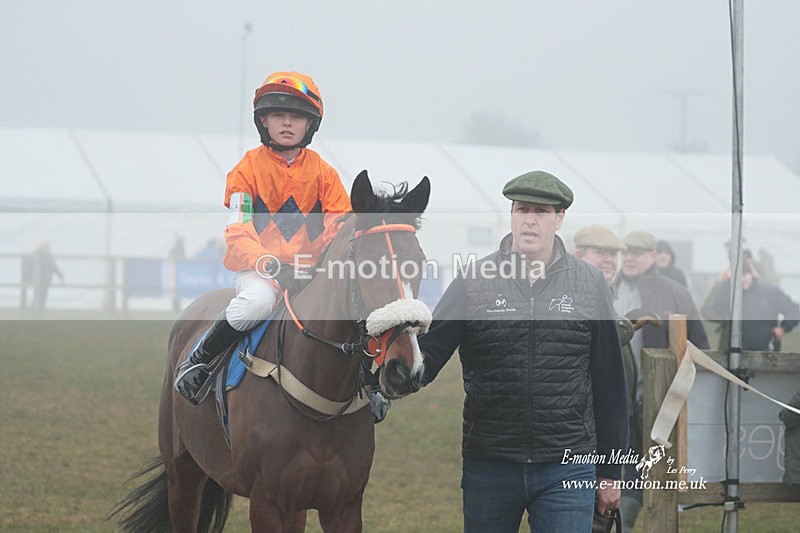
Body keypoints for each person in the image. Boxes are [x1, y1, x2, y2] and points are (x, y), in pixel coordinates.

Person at [418, 171, 628, 532]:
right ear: (511, 214)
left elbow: (610, 381)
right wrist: (385, 353)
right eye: (522, 209)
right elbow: (427, 358)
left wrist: (610, 472)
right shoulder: (473, 280)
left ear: (560, 218)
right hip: (490, 463)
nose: (530, 220)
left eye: (542, 211)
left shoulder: (590, 284)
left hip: (568, 463)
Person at [174, 71, 351, 404]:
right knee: (255, 303)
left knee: (350, 309)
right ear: (263, 121)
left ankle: (371, 386)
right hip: (261, 273)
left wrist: (320, 268)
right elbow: (238, 232)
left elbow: (338, 226)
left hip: (310, 276)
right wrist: (270, 264)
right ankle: (198, 361)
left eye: (296, 116)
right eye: (278, 115)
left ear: (309, 125)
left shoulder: (326, 175)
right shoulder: (246, 170)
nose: (287, 123)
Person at [612, 230, 709, 531]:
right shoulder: (606, 289)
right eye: (625, 252)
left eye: (637, 253)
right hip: (615, 399)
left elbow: (699, 343)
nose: (629, 258)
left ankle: (636, 520)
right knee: (617, 463)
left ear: (653, 257)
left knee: (656, 468)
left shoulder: (675, 292)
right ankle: (620, 523)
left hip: (659, 400)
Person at [705, 256, 799, 351]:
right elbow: (717, 308)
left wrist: (783, 328)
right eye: (737, 275)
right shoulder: (729, 293)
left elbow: (795, 310)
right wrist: (727, 284)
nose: (742, 278)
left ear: (752, 274)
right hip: (733, 352)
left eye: (745, 273)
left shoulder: (770, 292)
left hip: (766, 353)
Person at [30, 239, 64, 311]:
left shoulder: (49, 255)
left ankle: (41, 307)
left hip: (46, 278)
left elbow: (53, 266)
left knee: (44, 293)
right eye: (45, 245)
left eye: (47, 246)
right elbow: (31, 265)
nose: (47, 247)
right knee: (37, 293)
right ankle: (35, 307)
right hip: (38, 278)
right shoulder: (36, 254)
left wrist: (60, 275)